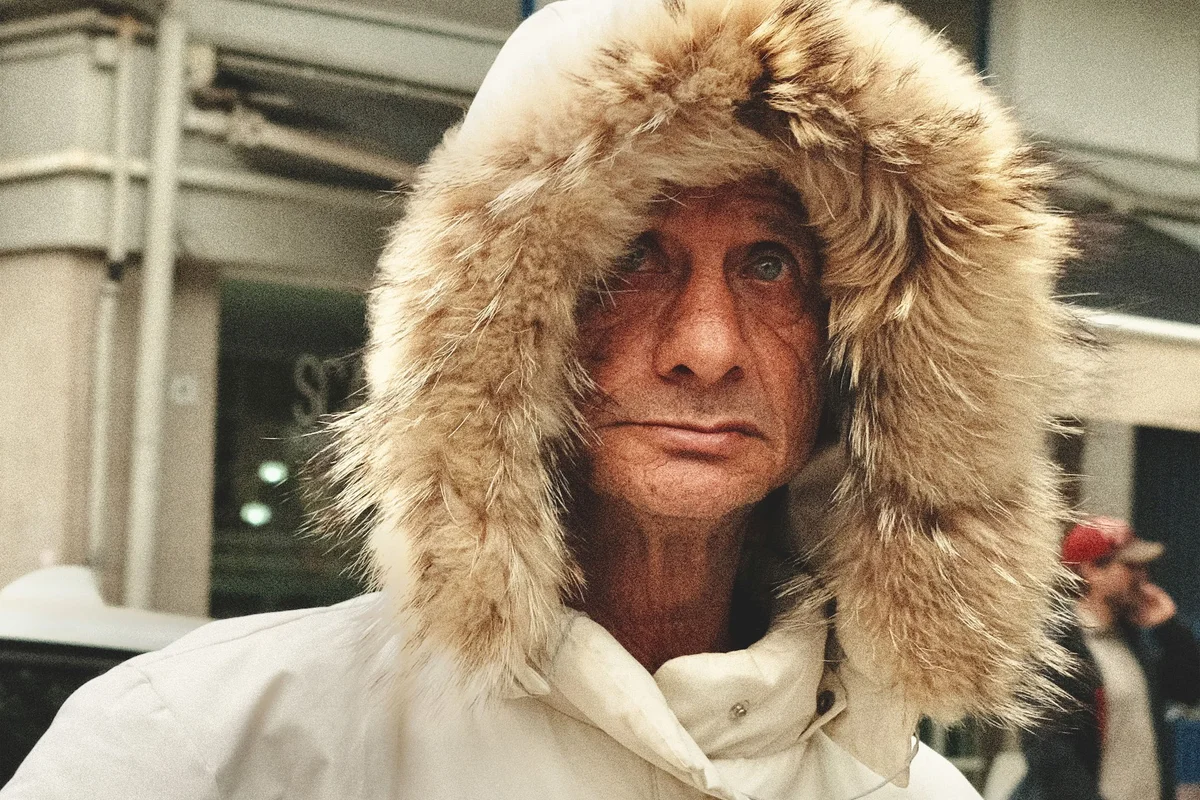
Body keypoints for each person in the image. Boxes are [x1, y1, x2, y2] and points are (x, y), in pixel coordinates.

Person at [4, 0, 1081, 797]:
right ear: (512, 327)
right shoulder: (204, 748)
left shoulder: (917, 789)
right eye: (631, 259)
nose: (706, 348)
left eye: (768, 266)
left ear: (856, 352)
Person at [1011, 517, 1200, 800]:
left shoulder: (1133, 641)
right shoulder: (1054, 650)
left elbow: (1191, 691)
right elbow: (1052, 758)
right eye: (1131, 567)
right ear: (1092, 571)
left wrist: (1169, 629)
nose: (1143, 576)